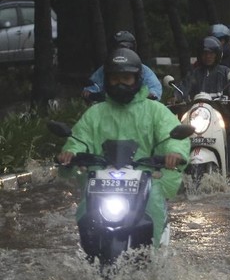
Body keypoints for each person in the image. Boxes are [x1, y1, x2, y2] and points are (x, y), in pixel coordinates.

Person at [58, 47, 190, 248]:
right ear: (107, 80)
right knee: (85, 211)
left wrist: (174, 153)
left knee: (153, 206)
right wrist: (71, 152)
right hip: (101, 185)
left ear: (137, 79)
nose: (120, 83)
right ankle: (88, 261)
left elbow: (171, 135)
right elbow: (79, 138)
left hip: (146, 180)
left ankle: (153, 259)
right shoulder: (95, 113)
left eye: (126, 78)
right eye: (115, 79)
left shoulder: (155, 111)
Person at [177, 36, 230, 177]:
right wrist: (176, 96)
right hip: (197, 115)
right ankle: (175, 169)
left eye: (211, 53)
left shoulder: (225, 72)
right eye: (205, 53)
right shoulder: (194, 73)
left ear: (217, 54)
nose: (208, 56)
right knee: (176, 131)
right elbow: (183, 89)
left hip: (221, 114)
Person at [82, 30, 162, 101]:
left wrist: (151, 95)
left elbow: (154, 87)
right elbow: (92, 87)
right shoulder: (104, 69)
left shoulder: (142, 69)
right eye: (114, 78)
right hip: (110, 109)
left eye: (127, 77)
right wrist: (91, 94)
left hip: (137, 109)